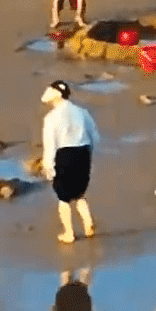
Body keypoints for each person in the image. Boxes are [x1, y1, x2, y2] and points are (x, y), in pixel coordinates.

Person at [39, 81, 99, 242]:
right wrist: (90, 154)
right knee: (80, 194)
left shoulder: (51, 117)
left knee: (64, 198)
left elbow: (50, 144)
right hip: (83, 152)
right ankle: (88, 224)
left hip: (65, 154)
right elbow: (94, 136)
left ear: (56, 94)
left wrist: (48, 167)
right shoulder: (82, 112)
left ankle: (69, 233)